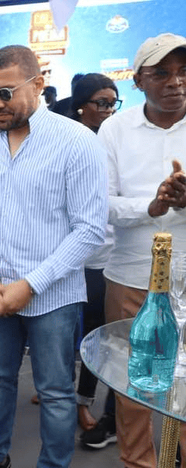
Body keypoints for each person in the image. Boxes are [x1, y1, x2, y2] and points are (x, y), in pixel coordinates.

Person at [0, 45, 108, 468]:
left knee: (56, 392)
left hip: (53, 297)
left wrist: (31, 285)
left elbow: (90, 229)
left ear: (38, 84)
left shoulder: (77, 142)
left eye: (6, 93)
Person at [97, 33, 186, 468]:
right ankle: (139, 463)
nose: (176, 82)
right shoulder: (114, 129)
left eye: (184, 72)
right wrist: (151, 206)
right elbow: (100, 204)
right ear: (137, 81)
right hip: (131, 277)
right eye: (162, 73)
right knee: (134, 386)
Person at [65, 74, 120, 446]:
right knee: (66, 332)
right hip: (68, 256)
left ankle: (85, 402)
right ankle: (61, 391)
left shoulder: (115, 139)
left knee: (100, 334)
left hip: (107, 257)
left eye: (113, 102)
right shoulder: (67, 139)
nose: (108, 109)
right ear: (81, 105)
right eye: (101, 102)